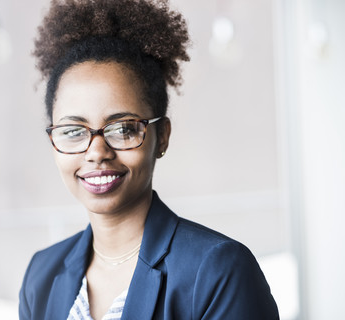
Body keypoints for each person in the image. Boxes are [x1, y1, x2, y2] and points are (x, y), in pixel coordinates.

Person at [19, 0, 279, 319]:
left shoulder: (218, 271)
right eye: (73, 131)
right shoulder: (40, 275)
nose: (97, 152)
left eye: (123, 128)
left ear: (162, 137)